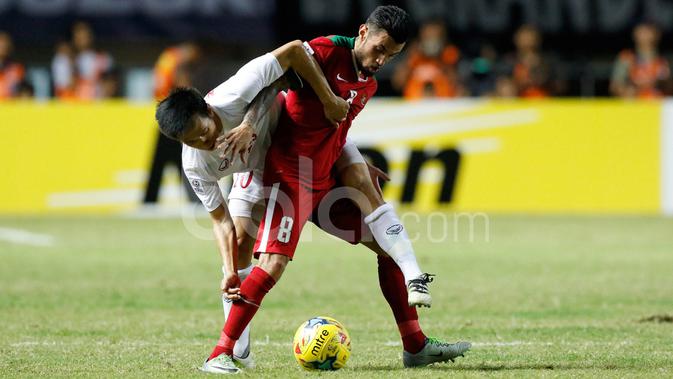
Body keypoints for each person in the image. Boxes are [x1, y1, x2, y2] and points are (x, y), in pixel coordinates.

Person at [201, 6, 470, 374]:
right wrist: (252, 122)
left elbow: (333, 129)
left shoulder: (369, 84)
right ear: (362, 32)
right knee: (270, 264)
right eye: (379, 48)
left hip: (326, 182)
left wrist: (353, 162)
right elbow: (278, 76)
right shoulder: (326, 51)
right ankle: (221, 352)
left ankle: (415, 346)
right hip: (289, 176)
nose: (381, 60)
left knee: (387, 247)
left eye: (391, 55)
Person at [392, 20, 464, 99]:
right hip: (414, 106)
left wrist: (441, 60)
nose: (431, 41)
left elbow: (458, 85)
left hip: (443, 105)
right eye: (428, 37)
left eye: (435, 37)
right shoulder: (414, 55)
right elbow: (397, 84)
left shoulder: (449, 54)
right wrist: (410, 59)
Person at [610, 22, 670, 98]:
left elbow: (669, 85)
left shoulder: (665, 60)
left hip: (660, 105)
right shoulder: (627, 57)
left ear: (656, 34)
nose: (644, 36)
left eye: (647, 32)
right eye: (641, 32)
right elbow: (615, 85)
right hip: (636, 105)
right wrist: (627, 91)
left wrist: (659, 83)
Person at [0, 31, 25, 99]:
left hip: (11, 106)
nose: (2, 47)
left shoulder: (17, 68)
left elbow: (23, 91)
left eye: (4, 44)